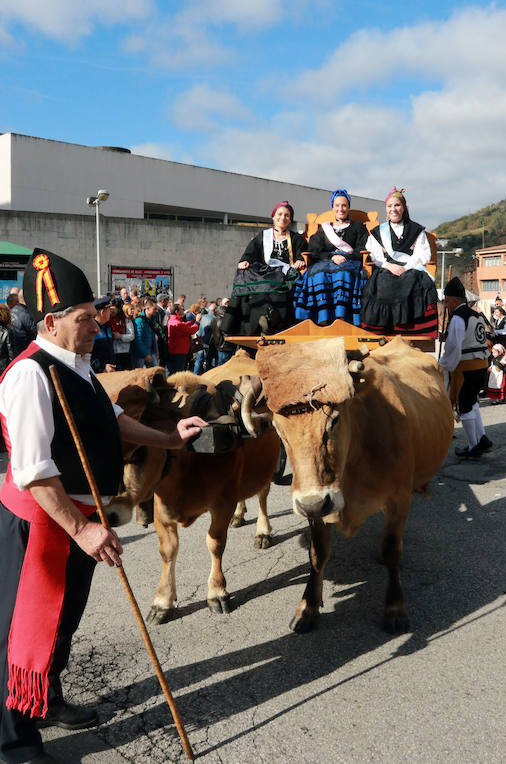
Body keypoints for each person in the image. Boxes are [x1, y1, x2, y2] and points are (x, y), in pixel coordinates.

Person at [0, 247, 205, 764]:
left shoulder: (79, 367)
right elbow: (34, 472)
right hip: (41, 525)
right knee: (21, 635)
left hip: (78, 518)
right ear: (52, 321)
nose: (98, 325)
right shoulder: (30, 375)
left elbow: (114, 420)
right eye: (85, 318)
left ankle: (44, 699)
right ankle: (13, 745)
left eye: (97, 316)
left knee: (62, 623)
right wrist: (83, 530)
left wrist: (170, 439)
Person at [360, 188, 438, 337]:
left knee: (414, 283)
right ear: (386, 209)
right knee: (383, 284)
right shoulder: (378, 232)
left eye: (397, 205)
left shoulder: (416, 230)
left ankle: (411, 332)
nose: (393, 209)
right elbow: (374, 255)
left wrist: (406, 268)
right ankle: (384, 332)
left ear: (403, 208)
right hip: (386, 268)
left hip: (411, 268)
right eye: (389, 206)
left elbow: (423, 254)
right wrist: (388, 266)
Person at [221, 201, 307, 336]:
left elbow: (302, 254)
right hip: (264, 272)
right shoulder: (262, 236)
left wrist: (300, 260)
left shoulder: (296, 238)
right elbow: (250, 253)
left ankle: (272, 319)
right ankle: (234, 323)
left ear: (290, 219)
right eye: (279, 214)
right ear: (273, 217)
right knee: (243, 274)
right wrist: (245, 261)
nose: (283, 218)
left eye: (287, 215)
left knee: (275, 282)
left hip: (284, 273)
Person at [293, 190, 367, 326]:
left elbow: (362, 248)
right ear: (333, 207)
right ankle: (323, 318)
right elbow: (314, 249)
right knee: (318, 274)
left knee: (343, 272)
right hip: (326, 261)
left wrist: (345, 257)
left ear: (348, 207)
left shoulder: (357, 227)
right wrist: (332, 256)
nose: (341, 209)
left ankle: (342, 317)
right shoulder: (324, 228)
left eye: (344, 205)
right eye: (337, 205)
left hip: (350, 261)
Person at [439, 277, 493, 459]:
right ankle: (482, 439)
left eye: (447, 301)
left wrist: (443, 365)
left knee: (465, 406)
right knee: (473, 402)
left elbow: (454, 346)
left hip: (467, 367)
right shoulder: (476, 315)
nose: (446, 305)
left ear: (455, 301)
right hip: (481, 364)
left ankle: (473, 446)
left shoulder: (458, 318)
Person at [166, 303, 199, 375]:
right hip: (179, 351)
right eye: (181, 309)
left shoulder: (172, 320)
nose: (183, 310)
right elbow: (191, 330)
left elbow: (183, 325)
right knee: (178, 372)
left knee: (172, 371)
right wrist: (197, 322)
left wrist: (192, 321)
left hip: (174, 349)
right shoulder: (177, 323)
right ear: (176, 311)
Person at [131, 297, 159, 368]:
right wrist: (145, 354)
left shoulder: (152, 320)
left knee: (156, 371)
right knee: (140, 372)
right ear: (148, 308)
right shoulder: (139, 321)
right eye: (154, 309)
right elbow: (138, 340)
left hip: (150, 351)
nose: (157, 311)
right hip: (140, 354)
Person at [90, 296, 116, 374]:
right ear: (102, 312)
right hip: (98, 374)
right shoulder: (91, 330)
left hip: (110, 373)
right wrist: (102, 366)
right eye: (109, 310)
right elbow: (86, 357)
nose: (110, 313)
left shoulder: (107, 327)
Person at [111, 302, 135, 371]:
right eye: (110, 309)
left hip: (124, 353)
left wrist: (120, 336)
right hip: (113, 353)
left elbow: (132, 336)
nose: (111, 311)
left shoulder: (126, 321)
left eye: (113, 309)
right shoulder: (107, 320)